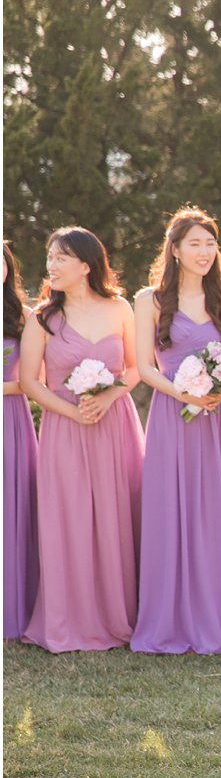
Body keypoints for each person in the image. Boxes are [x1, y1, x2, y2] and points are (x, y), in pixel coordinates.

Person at [131, 207, 221, 655]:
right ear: (174, 249)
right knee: (173, 512)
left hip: (219, 421)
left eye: (210, 243)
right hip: (173, 416)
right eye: (195, 243)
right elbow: (142, 367)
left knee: (217, 514)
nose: (205, 251)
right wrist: (183, 395)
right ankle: (173, 620)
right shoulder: (148, 300)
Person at [19, 227, 144, 652]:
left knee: (115, 517)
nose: (51, 265)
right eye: (50, 257)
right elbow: (31, 383)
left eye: (61, 258)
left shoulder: (120, 308)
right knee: (67, 520)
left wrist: (108, 396)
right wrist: (73, 411)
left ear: (86, 265)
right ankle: (67, 620)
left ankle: (116, 615)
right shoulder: (42, 318)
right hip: (63, 429)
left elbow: (134, 368)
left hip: (115, 426)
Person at [4, 242, 40, 640]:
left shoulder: (25, 317)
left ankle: (14, 607)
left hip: (11, 421)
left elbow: (37, 380)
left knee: (12, 509)